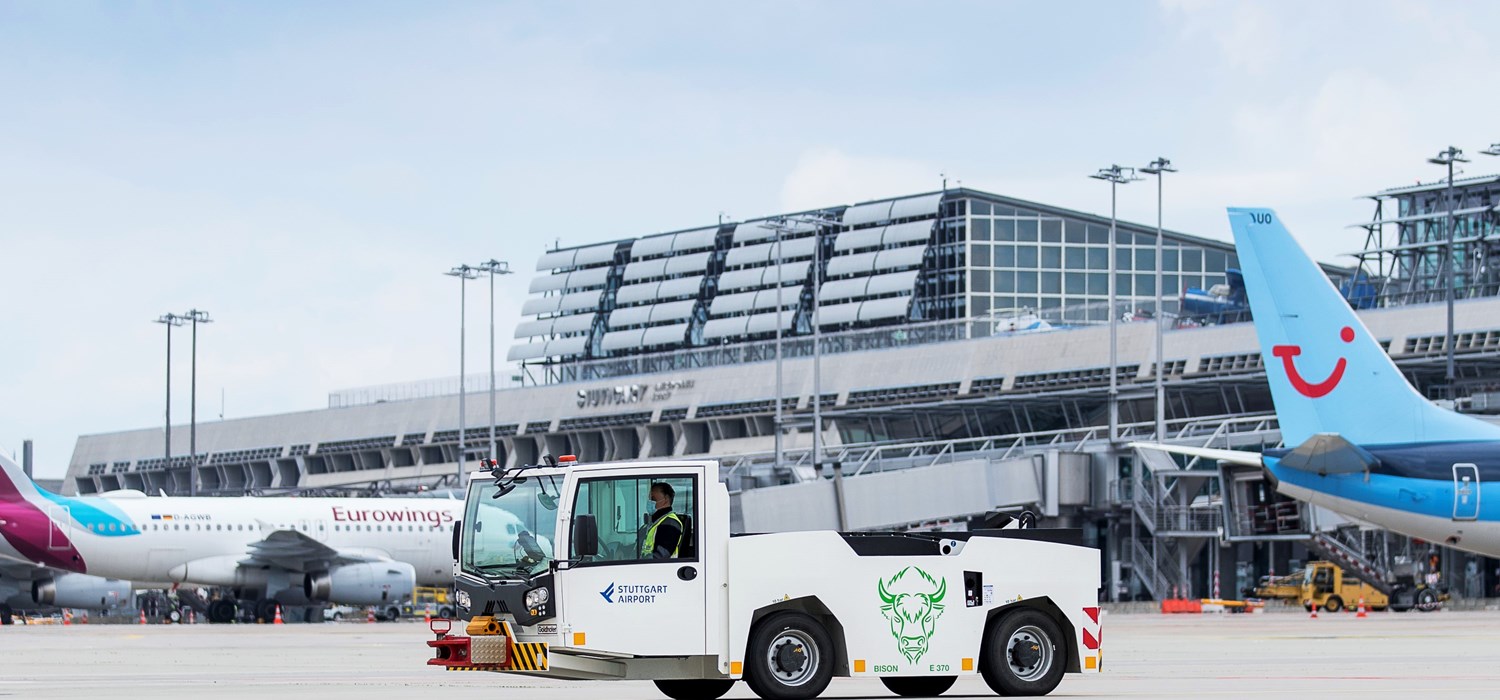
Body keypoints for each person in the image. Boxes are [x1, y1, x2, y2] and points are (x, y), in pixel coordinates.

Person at [640, 482, 683, 560]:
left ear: (666, 499)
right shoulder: (652, 522)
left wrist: (639, 562)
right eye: (649, 499)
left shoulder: (670, 524)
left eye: (653, 499)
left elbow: (660, 556)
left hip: (659, 569)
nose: (650, 502)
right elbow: (638, 546)